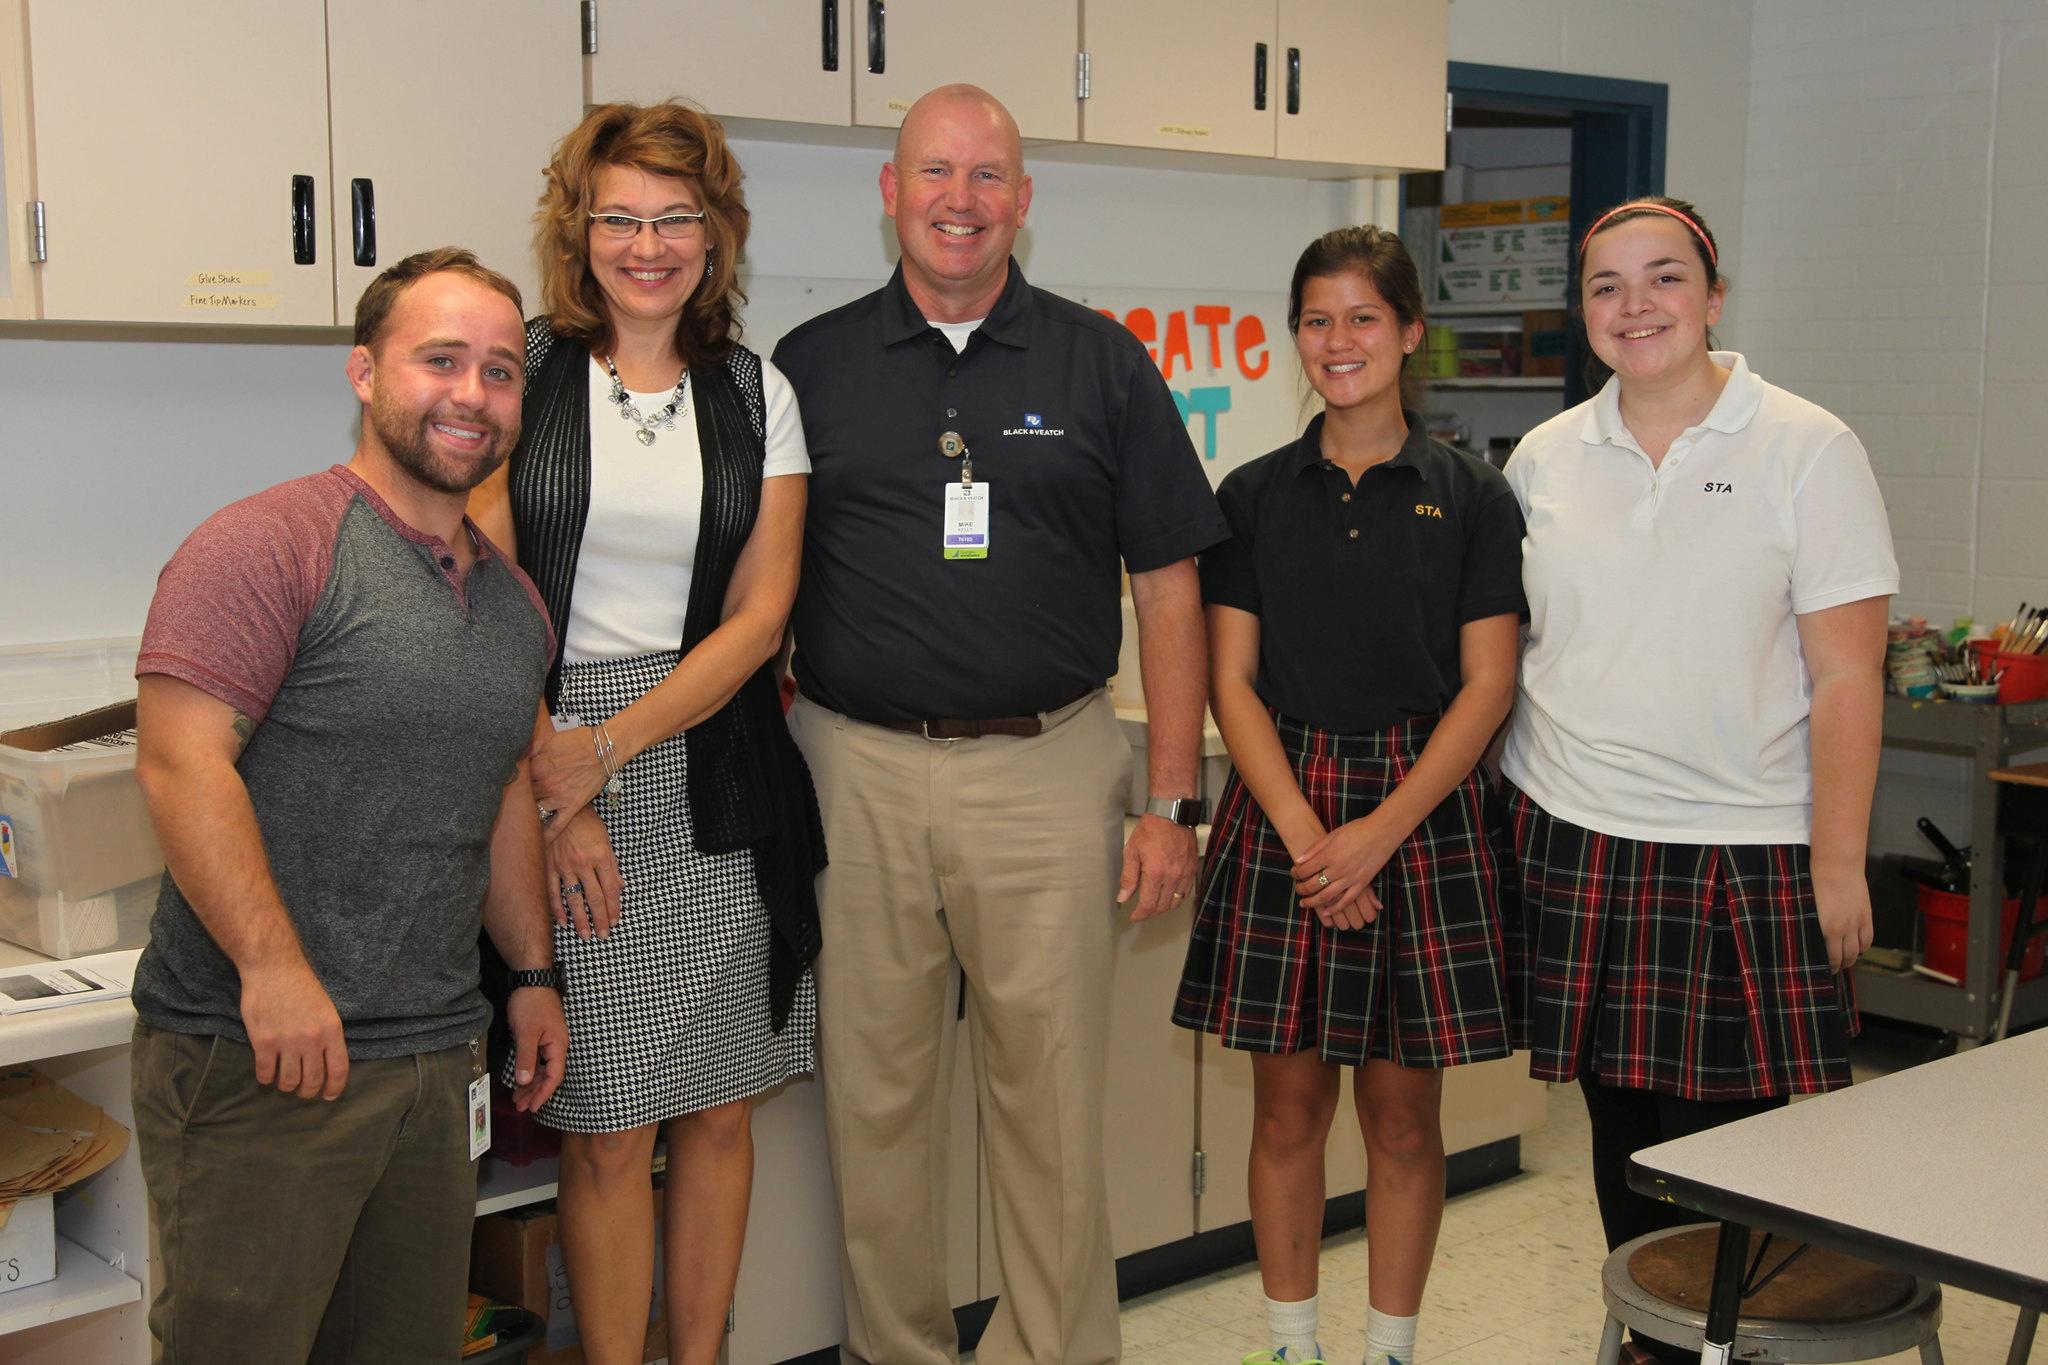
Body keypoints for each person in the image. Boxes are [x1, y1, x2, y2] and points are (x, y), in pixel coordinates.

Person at [772, 83, 1229, 1365]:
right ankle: (897, 1351)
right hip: (850, 772)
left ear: (1024, 200)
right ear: (890, 192)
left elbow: (1171, 583)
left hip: (1051, 769)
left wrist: (1169, 797)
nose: (958, 201)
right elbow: (757, 589)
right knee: (872, 1107)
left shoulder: (1100, 360)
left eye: (986, 178)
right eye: (934, 173)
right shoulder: (808, 367)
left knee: (1048, 1108)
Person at [128, 247, 568, 1364]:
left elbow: (503, 784)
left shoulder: (512, 607)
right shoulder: (269, 546)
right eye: (441, 360)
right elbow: (182, 767)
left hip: (431, 1065)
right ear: (365, 373)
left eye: (502, 371)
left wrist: (527, 975)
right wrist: (274, 972)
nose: (472, 393)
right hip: (263, 1058)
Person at [1501, 197, 1896, 1365]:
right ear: (1584, 315)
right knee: (1621, 1147)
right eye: (1606, 287)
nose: (1635, 307)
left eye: (1662, 279)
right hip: (1574, 837)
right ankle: (1647, 1343)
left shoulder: (1805, 446)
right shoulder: (1545, 456)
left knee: (1729, 1167)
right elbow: (1515, 651)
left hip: (1742, 851)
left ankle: (1717, 1349)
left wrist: (1835, 863)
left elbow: (1846, 678)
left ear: (1713, 297)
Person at [466, 100, 824, 1365]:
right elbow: (487, 587)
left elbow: (761, 613)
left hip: (715, 769)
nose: (647, 243)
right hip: (546, 745)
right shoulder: (520, 367)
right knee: (609, 1125)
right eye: (619, 216)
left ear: (715, 234)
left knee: (720, 1111)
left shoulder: (754, 391)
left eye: (676, 216)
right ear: (580, 229)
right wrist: (558, 788)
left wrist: (607, 753)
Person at [1173, 226, 1525, 1365]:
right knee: (1284, 1113)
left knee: (1401, 1119)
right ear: (1295, 338)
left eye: (1362, 318)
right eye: (1316, 320)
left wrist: (1377, 834)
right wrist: (1305, 836)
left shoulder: (1472, 496)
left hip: (1418, 817)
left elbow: (1487, 685)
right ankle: (1289, 1344)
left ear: (1409, 332)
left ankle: (1386, 1349)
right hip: (1289, 810)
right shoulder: (1252, 495)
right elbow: (1229, 679)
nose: (1338, 342)